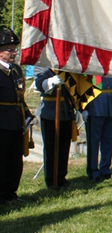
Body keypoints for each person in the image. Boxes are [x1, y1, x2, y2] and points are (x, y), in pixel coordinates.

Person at [0, 29, 33, 204]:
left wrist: (27, 115)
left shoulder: (16, 71)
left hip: (15, 121)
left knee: (15, 161)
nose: (13, 53)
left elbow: (19, 97)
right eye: (9, 50)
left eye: (14, 50)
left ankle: (11, 194)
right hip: (2, 122)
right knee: (2, 160)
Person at [35, 68, 75, 190]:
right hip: (50, 112)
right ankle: (51, 180)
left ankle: (61, 177)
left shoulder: (66, 67)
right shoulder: (42, 66)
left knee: (64, 147)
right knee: (51, 148)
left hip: (66, 110)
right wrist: (49, 82)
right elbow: (39, 83)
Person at [84, 77, 112, 182]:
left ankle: (105, 168)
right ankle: (93, 170)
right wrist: (83, 108)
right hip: (95, 109)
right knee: (93, 142)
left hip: (111, 108)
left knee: (109, 141)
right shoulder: (92, 65)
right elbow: (83, 87)